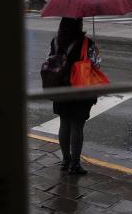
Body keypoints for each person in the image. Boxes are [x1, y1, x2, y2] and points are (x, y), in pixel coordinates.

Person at [48, 17, 101, 175]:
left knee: (64, 123)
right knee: (77, 125)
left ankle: (65, 160)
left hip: (61, 89)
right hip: (81, 90)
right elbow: (96, 64)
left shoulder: (55, 42)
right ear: (79, 25)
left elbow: (50, 60)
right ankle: (75, 164)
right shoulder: (86, 43)